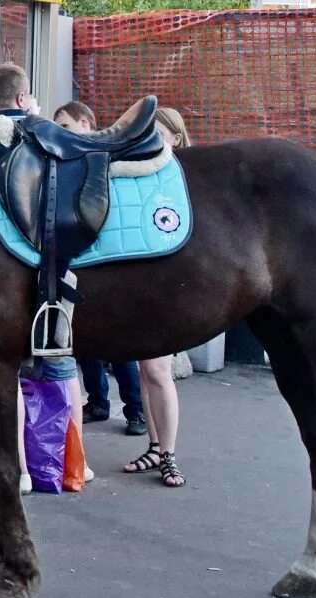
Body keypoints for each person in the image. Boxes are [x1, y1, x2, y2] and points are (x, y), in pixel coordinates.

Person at [0, 65, 92, 487]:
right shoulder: (49, 136)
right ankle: (74, 464)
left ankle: (15, 470)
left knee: (6, 372)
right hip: (55, 274)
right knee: (62, 366)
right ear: (22, 98)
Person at [50, 103, 148, 437]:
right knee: (84, 342)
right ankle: (99, 402)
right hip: (81, 268)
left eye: (65, 124)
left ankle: (136, 411)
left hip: (108, 267)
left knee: (121, 349)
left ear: (85, 122)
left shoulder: (104, 164)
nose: (61, 130)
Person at [122, 107, 191, 487]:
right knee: (147, 371)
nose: (149, 141)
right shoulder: (141, 174)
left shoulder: (180, 178)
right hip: (141, 287)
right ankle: (155, 447)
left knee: (159, 373)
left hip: (165, 289)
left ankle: (168, 454)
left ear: (176, 139)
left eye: (157, 135)